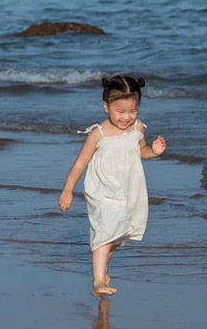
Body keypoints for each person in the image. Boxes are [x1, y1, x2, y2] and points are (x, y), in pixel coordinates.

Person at [58, 75, 167, 297]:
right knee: (104, 232)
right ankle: (98, 281)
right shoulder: (99, 133)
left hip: (129, 189)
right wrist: (68, 190)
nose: (127, 117)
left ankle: (103, 265)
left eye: (132, 111)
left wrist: (153, 151)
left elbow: (141, 151)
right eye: (120, 112)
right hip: (102, 190)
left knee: (120, 232)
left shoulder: (137, 127)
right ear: (106, 107)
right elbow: (81, 162)